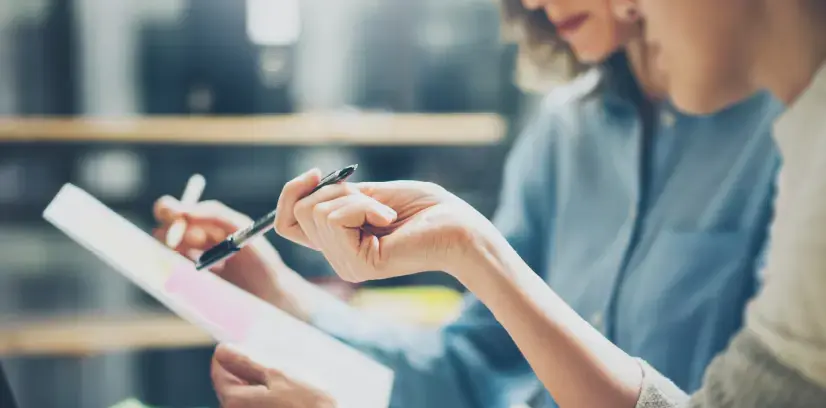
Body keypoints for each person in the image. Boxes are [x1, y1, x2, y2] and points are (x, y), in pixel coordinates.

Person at [153, 0, 781, 406]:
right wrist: (289, 298)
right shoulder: (562, 134)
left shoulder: (792, 141)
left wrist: (473, 250)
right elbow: (477, 366)